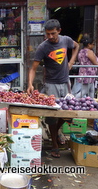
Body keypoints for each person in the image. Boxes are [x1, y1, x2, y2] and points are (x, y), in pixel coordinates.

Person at [27, 19, 79, 158]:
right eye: (48, 34)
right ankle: (54, 144)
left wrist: (72, 60)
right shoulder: (43, 47)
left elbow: (76, 46)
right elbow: (33, 68)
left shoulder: (66, 40)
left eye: (53, 33)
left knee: (67, 113)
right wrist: (30, 84)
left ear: (59, 31)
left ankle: (56, 132)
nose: (50, 36)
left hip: (66, 83)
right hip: (51, 85)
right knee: (52, 117)